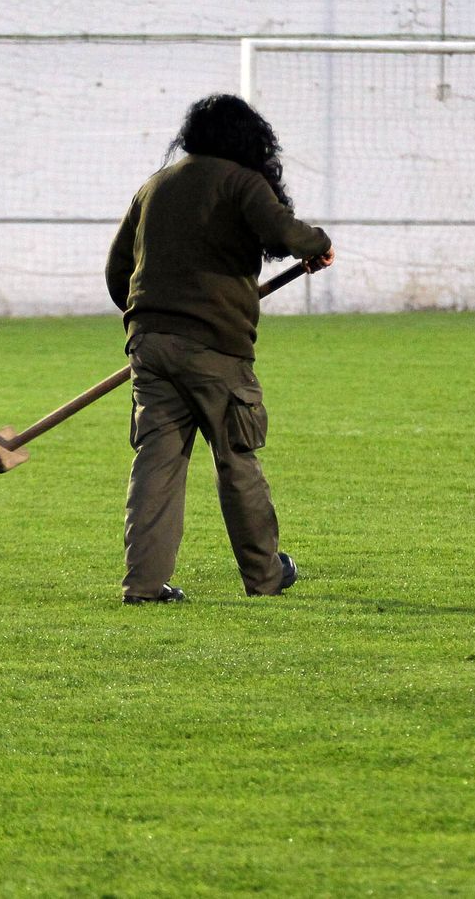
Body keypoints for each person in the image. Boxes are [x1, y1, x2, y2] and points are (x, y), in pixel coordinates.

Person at [105, 94, 335, 605]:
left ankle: (143, 586)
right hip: (216, 349)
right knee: (236, 458)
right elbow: (284, 232)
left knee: (156, 464)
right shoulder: (241, 181)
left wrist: (155, 320)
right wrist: (318, 244)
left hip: (148, 345)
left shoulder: (154, 187)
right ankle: (265, 576)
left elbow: (117, 271)